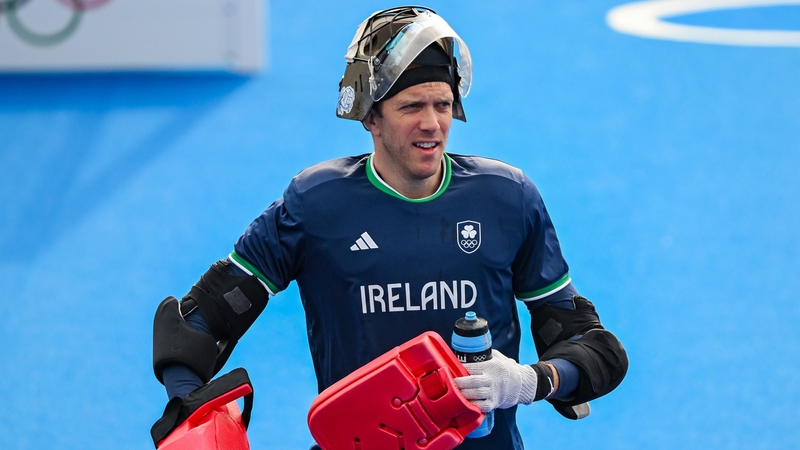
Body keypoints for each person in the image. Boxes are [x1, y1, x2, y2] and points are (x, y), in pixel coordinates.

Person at [151, 6, 628, 449]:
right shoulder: (316, 206)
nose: (432, 124)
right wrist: (190, 412)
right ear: (371, 117)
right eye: (411, 106)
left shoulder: (507, 198)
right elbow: (197, 325)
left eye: (442, 105)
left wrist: (531, 381)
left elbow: (593, 349)